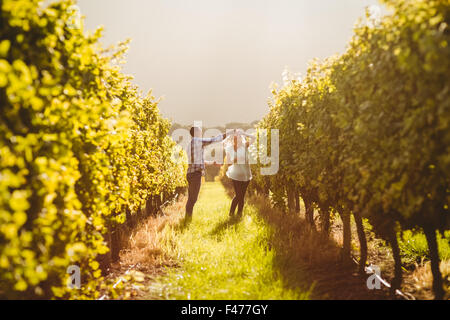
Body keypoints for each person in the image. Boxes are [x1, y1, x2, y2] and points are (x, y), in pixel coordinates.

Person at [185, 126, 233, 221]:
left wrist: (212, 163)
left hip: (190, 173)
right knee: (193, 199)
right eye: (200, 131)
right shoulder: (197, 141)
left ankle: (187, 218)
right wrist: (229, 133)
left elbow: (197, 162)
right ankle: (187, 218)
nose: (201, 132)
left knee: (191, 198)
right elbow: (214, 139)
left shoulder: (190, 145)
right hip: (195, 175)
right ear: (196, 133)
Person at [224, 129, 256, 218]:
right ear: (233, 138)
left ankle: (239, 215)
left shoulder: (245, 145)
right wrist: (237, 159)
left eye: (239, 136)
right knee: (239, 195)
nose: (237, 138)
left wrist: (245, 133)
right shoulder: (229, 148)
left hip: (246, 174)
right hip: (236, 174)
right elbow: (229, 163)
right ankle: (231, 214)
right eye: (236, 136)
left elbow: (254, 138)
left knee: (241, 196)